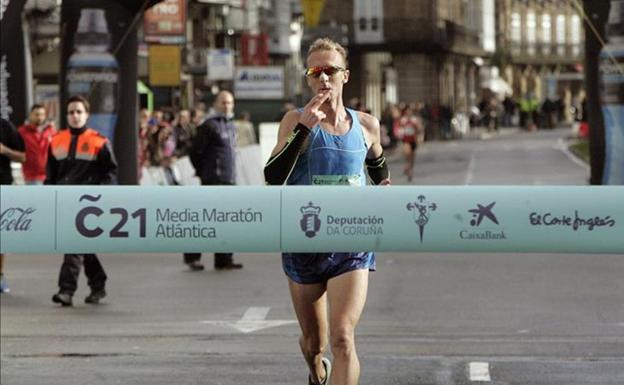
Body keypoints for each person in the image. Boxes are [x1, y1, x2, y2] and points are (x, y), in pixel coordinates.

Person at [263, 38, 390, 385]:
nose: (323, 78)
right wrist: (304, 127)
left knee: (343, 338)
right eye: (315, 72)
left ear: (345, 76)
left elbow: (377, 163)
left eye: (330, 70)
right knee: (314, 343)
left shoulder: (366, 125)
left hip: (351, 246)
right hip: (304, 244)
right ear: (307, 79)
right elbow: (272, 177)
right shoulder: (294, 121)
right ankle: (317, 371)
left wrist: (383, 186)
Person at [46, 96, 118, 307]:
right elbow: (50, 176)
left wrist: (100, 195)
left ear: (87, 115)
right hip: (64, 202)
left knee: (74, 245)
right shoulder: (56, 141)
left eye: (79, 111)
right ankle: (98, 284)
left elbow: (111, 172)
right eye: (71, 112)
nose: (75, 116)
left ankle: (66, 290)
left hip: (88, 205)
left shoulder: (99, 141)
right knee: (83, 246)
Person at [187, 90, 243, 271]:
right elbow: (195, 151)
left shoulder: (232, 126)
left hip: (229, 179)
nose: (227, 106)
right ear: (216, 104)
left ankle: (224, 259)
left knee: (226, 220)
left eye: (229, 103)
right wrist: (203, 171)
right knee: (206, 219)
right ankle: (192, 257)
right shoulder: (209, 126)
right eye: (223, 103)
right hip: (213, 180)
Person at [0, 118, 26, 293]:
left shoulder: (5, 126)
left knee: (1, 235)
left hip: (2, 186)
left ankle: (0, 275)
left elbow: (22, 157)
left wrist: (4, 150)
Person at [18, 104, 56, 185]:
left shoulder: (51, 131)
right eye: (36, 114)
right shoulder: (22, 132)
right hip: (31, 176)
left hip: (50, 175)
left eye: (42, 114)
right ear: (30, 115)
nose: (39, 117)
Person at [395, 105, 423, 182]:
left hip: (413, 140)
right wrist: (399, 133)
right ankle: (407, 168)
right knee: (407, 155)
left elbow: (419, 129)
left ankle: (410, 170)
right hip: (406, 140)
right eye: (407, 111)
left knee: (412, 158)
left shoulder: (415, 120)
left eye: (410, 111)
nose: (408, 112)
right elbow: (398, 128)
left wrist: (419, 137)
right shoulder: (403, 120)